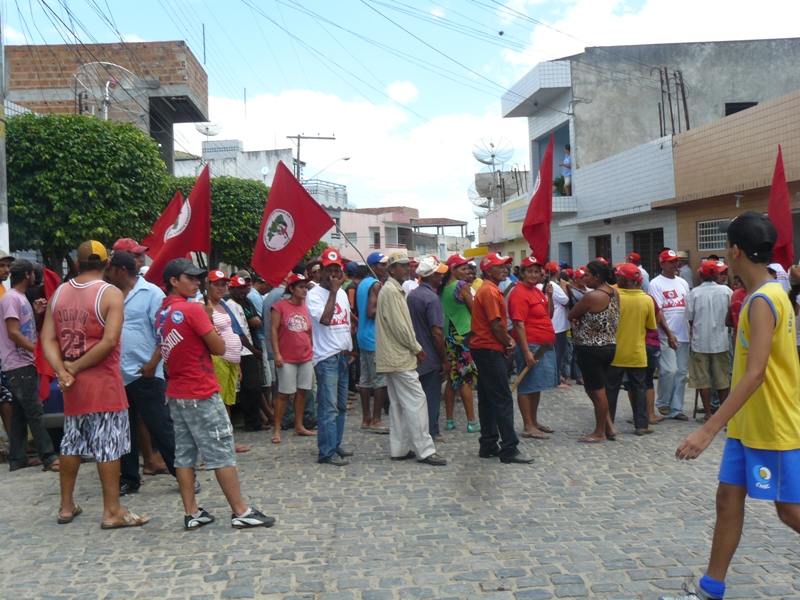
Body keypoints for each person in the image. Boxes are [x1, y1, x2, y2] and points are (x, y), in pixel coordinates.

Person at [664, 212, 800, 600]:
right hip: (748, 425)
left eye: (728, 245)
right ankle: (710, 589)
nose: (725, 251)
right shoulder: (773, 291)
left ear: (736, 251)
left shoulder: (764, 299)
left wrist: (707, 429)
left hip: (771, 425)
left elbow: (755, 374)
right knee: (728, 501)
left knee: (790, 512)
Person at [153, 258, 274, 529]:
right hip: (200, 389)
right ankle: (241, 510)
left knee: (184, 454)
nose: (197, 282)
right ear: (174, 280)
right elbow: (218, 347)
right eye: (190, 278)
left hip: (176, 391)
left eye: (198, 278)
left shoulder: (162, 312)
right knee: (221, 451)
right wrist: (208, 320)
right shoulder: (193, 311)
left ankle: (192, 512)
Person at [42, 241, 146, 528]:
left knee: (71, 442)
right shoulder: (109, 293)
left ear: (77, 261)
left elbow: (47, 339)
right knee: (108, 446)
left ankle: (66, 506)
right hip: (102, 382)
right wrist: (74, 367)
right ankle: (112, 511)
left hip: (72, 385)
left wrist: (63, 370)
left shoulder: (61, 291)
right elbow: (110, 341)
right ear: (107, 264)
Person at [106, 251, 180, 495]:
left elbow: (162, 332)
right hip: (118, 375)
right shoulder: (110, 294)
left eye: (110, 269)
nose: (107, 273)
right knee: (123, 430)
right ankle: (129, 478)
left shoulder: (152, 294)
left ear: (121, 271)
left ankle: (182, 474)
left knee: (160, 427)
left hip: (145, 374)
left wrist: (152, 364)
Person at [376, 251, 446, 465]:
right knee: (417, 401)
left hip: (394, 356)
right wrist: (417, 348)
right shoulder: (391, 291)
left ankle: (400, 447)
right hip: (399, 356)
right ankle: (425, 450)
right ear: (391, 269)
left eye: (408, 265)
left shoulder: (394, 290)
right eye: (402, 266)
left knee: (398, 403)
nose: (407, 269)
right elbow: (401, 328)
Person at [470, 252, 534, 464]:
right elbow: (496, 324)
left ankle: (488, 444)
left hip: (484, 348)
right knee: (502, 399)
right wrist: (508, 342)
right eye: (501, 267)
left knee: (489, 399)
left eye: (506, 266)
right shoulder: (489, 291)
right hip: (488, 348)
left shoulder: (490, 289)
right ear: (489, 270)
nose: (506, 270)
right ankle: (509, 448)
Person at [0, 258, 59, 472]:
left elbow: (21, 326)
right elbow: (13, 332)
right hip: (18, 364)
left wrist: (35, 312)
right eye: (33, 273)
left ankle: (17, 458)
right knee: (34, 410)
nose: (36, 276)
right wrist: (35, 351)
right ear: (27, 275)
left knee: (19, 413)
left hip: (21, 362)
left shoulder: (20, 298)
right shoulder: (11, 299)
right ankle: (49, 456)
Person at [307, 248, 354, 466]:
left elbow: (344, 321)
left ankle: (335, 444)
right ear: (321, 271)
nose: (333, 274)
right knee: (328, 407)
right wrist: (334, 292)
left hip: (343, 356)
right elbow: (325, 320)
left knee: (341, 406)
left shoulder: (343, 293)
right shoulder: (315, 294)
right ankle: (326, 452)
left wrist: (350, 348)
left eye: (337, 269)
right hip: (327, 359)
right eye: (329, 269)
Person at [568, 260, 619, 443]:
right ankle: (609, 425)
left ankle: (600, 432)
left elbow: (571, 314)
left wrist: (580, 318)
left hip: (591, 348)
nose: (584, 278)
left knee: (596, 392)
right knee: (598, 389)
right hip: (609, 345)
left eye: (587, 275)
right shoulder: (614, 293)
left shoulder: (592, 296)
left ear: (597, 277)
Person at [508, 255, 556, 439]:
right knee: (527, 385)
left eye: (537, 271)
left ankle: (534, 421)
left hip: (543, 345)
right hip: (531, 345)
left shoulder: (536, 291)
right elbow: (519, 324)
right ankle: (528, 425)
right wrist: (527, 351)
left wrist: (549, 297)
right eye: (530, 271)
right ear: (522, 273)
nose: (534, 275)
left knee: (536, 385)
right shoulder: (519, 293)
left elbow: (548, 315)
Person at [605, 263, 656, 436]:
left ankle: (608, 425)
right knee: (639, 388)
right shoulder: (646, 299)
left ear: (622, 279)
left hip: (614, 352)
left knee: (611, 390)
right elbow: (650, 326)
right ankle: (641, 425)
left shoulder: (612, 295)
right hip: (637, 352)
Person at [206, 271, 252, 453]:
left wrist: (238, 363)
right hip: (218, 359)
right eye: (216, 284)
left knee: (227, 403)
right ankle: (216, 444)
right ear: (207, 285)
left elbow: (233, 332)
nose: (220, 288)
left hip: (232, 360)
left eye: (223, 284)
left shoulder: (223, 305)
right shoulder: (205, 306)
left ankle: (227, 441)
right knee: (218, 404)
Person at [407, 256, 448, 441]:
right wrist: (445, 360)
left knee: (417, 398)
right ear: (431, 276)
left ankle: (419, 430)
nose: (441, 278)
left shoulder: (412, 295)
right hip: (430, 355)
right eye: (439, 274)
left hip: (415, 354)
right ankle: (432, 431)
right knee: (431, 396)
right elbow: (436, 333)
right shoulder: (432, 298)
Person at [270, 273, 315, 443]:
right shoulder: (279, 306)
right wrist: (276, 353)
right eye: (301, 287)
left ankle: (299, 425)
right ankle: (277, 429)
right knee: (284, 393)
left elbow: (309, 330)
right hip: (286, 356)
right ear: (292, 289)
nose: (304, 290)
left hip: (305, 355)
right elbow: (273, 330)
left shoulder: (306, 306)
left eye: (305, 287)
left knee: (302, 391)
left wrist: (312, 349)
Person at [687, 260, 733, 422]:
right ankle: (724, 414)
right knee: (722, 378)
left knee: (703, 379)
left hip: (700, 342)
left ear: (701, 274)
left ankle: (708, 414)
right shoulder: (727, 291)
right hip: (721, 341)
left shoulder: (695, 293)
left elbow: (690, 318)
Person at [649, 249, 692, 421]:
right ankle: (662, 402)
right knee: (669, 370)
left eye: (676, 261)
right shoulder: (655, 283)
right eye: (670, 261)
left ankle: (677, 408)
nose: (675, 264)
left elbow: (687, 308)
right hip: (665, 335)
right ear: (661, 264)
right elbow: (657, 312)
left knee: (681, 373)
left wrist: (690, 329)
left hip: (683, 334)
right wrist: (669, 333)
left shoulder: (682, 282)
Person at [440, 253, 479, 432]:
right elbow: (475, 311)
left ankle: (449, 420)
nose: (467, 272)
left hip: (449, 336)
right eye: (463, 269)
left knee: (451, 379)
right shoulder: (461, 286)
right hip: (463, 336)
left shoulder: (443, 287)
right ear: (453, 269)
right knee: (465, 380)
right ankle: (472, 421)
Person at [357, 252, 389, 433]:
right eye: (381, 264)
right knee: (379, 382)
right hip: (373, 337)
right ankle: (376, 419)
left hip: (363, 336)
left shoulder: (363, 283)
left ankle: (366, 418)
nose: (384, 268)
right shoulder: (376, 284)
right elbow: (371, 311)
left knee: (365, 380)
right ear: (372, 267)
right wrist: (388, 310)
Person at [544, 261, 571, 389]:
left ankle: (555, 377)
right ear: (558, 272)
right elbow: (566, 301)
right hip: (558, 325)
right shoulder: (554, 285)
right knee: (558, 354)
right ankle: (555, 379)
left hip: (554, 323)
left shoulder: (547, 285)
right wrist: (564, 286)